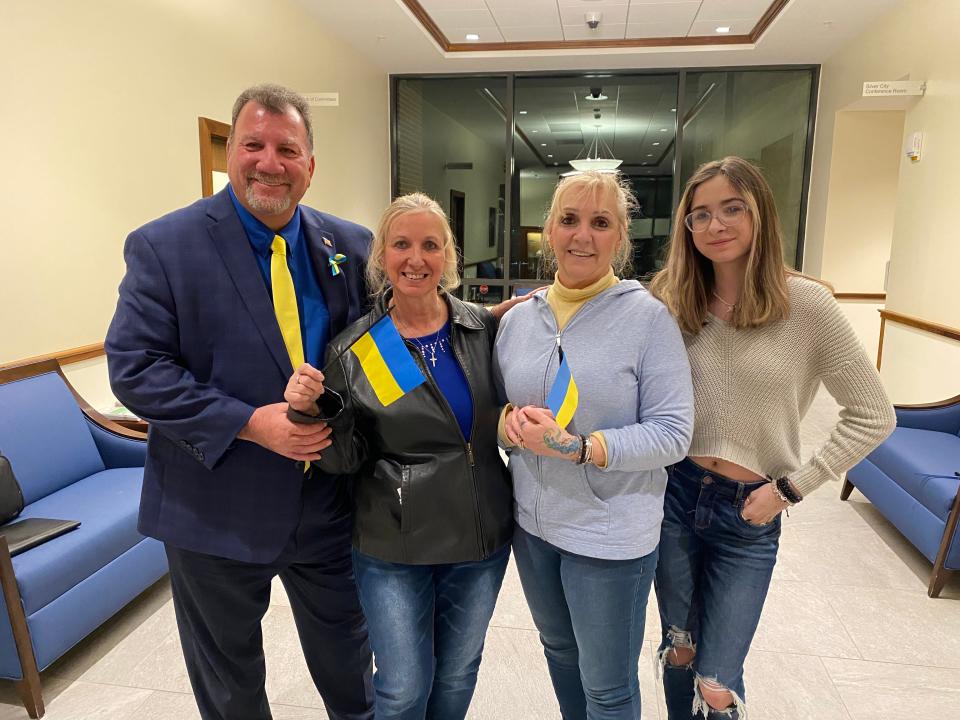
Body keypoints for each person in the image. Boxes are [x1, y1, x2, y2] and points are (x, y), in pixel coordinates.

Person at [105, 84, 374, 720]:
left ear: (311, 165)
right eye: (253, 145)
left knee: (354, 672)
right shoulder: (164, 246)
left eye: (288, 148)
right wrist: (250, 423)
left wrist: (469, 325)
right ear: (231, 152)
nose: (269, 162)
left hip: (330, 507)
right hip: (213, 510)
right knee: (231, 692)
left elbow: (381, 350)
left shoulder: (352, 246)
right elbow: (135, 368)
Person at [649, 156, 896, 719]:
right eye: (701, 215)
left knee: (717, 679)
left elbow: (874, 413)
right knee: (680, 650)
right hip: (674, 495)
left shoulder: (807, 305)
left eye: (732, 209)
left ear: (761, 213)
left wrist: (793, 488)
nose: (716, 225)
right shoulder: (671, 296)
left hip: (751, 510)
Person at [284, 192, 514, 720]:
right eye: (402, 244)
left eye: (430, 245)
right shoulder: (358, 350)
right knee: (403, 688)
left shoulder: (483, 329)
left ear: (449, 258)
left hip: (480, 536)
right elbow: (343, 459)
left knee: (458, 673)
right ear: (382, 255)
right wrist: (314, 412)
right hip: (392, 544)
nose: (416, 258)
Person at [493, 170, 695, 719]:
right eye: (569, 219)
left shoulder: (648, 320)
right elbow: (497, 406)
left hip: (609, 537)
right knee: (559, 652)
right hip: (533, 528)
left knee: (607, 686)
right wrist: (506, 423)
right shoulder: (520, 319)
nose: (582, 235)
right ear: (550, 230)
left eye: (600, 223)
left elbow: (674, 432)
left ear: (620, 238)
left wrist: (582, 447)